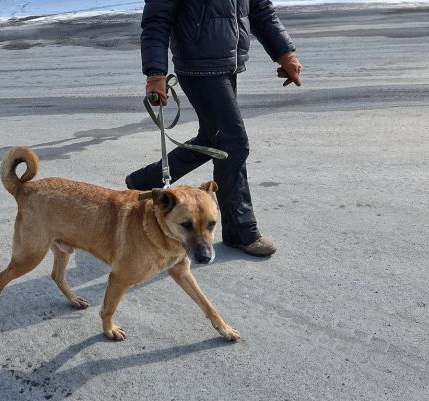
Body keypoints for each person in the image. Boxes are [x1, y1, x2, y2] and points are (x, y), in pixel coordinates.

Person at [125, 0, 303, 257]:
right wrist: (155, 74)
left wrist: (285, 53)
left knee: (212, 139)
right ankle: (240, 230)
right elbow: (157, 20)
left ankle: (143, 183)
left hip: (228, 62)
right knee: (233, 143)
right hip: (197, 66)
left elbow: (261, 9)